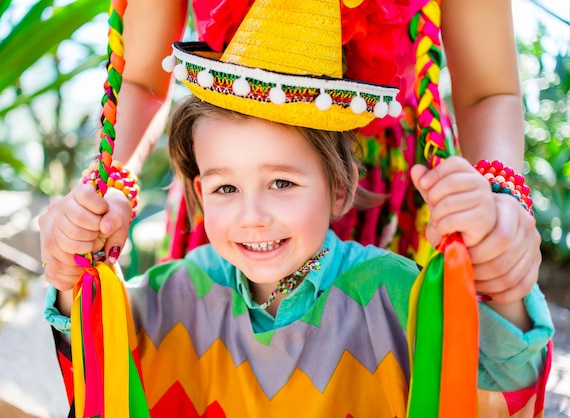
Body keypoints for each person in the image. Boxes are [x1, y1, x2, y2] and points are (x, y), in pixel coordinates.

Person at [42, 1, 553, 415]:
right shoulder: (181, 294)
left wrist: (496, 243)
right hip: (220, 129)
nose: (253, 215)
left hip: (398, 180)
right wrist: (85, 242)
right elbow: (102, 346)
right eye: (224, 190)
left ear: (341, 189)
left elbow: (483, 375)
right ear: (200, 190)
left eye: (281, 183)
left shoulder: (397, 297)